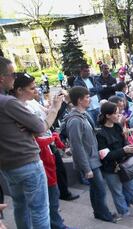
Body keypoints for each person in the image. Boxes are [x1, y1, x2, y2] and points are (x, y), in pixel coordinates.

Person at [0, 57, 63, 229]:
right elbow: (40, 127)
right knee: (40, 210)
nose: (15, 77)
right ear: (2, 77)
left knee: (20, 206)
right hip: (27, 163)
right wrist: (56, 108)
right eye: (12, 74)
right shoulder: (8, 103)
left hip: (7, 166)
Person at [11, 73, 74, 229]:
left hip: (40, 154)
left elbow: (47, 117)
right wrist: (51, 137)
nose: (36, 90)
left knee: (41, 199)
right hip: (34, 157)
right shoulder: (16, 107)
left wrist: (56, 105)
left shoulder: (30, 102)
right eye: (32, 88)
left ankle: (57, 224)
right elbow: (40, 129)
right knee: (40, 205)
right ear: (19, 90)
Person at [65, 86, 119, 223]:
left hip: (93, 158)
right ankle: (104, 214)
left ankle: (99, 212)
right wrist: (86, 168)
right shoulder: (75, 120)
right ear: (79, 100)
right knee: (100, 189)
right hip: (89, 162)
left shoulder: (84, 114)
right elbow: (77, 146)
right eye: (87, 97)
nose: (90, 99)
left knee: (96, 189)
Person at [96, 102, 133, 218]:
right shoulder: (100, 133)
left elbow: (124, 142)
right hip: (111, 168)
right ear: (108, 115)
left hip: (125, 164)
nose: (119, 116)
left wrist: (129, 146)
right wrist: (125, 150)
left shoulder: (118, 126)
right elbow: (105, 156)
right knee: (117, 192)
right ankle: (124, 214)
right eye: (116, 114)